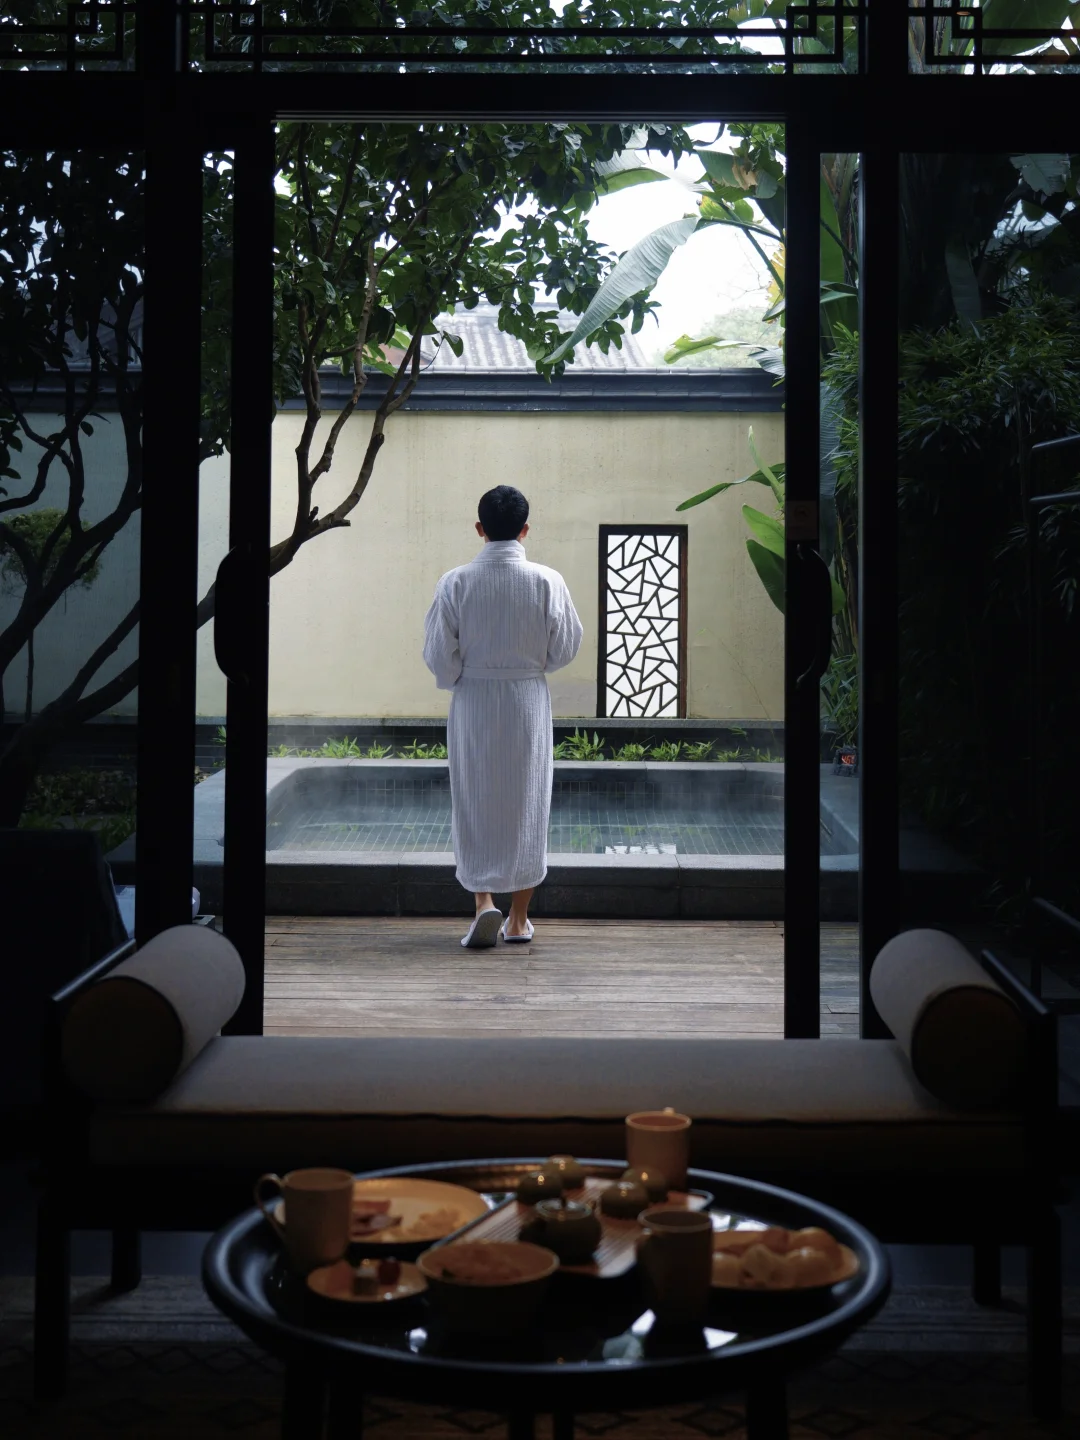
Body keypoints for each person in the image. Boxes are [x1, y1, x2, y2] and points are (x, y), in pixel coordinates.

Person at [423, 485, 583, 948]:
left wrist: (461, 677)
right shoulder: (547, 581)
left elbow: (439, 655)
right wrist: (532, 666)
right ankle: (517, 919)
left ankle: (483, 905)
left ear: (480, 528)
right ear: (524, 529)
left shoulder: (455, 582)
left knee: (474, 799)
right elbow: (566, 646)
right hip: (526, 699)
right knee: (527, 801)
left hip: (474, 699)